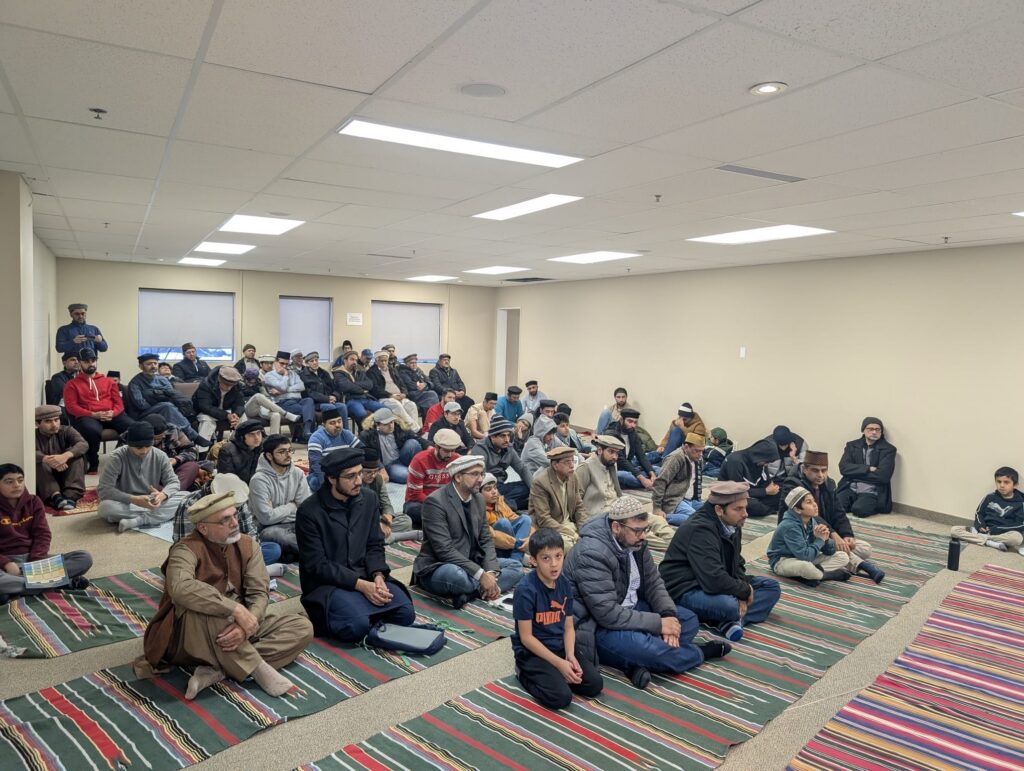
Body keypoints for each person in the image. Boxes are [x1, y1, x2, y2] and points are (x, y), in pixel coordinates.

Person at [138, 491, 312, 699]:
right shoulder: (184, 549)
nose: (234, 523)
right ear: (203, 528)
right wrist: (235, 609)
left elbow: (259, 593)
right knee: (211, 609)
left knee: (302, 627)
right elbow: (180, 587)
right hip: (190, 633)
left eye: (234, 515)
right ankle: (257, 668)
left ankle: (218, 670)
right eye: (225, 520)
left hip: (235, 626)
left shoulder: (248, 545)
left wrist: (247, 624)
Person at [564, 496, 730, 690]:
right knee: (653, 650)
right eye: (637, 530)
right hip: (596, 625)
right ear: (616, 527)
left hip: (630, 608)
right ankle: (697, 653)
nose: (643, 536)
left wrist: (667, 615)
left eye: (645, 529)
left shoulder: (635, 542)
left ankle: (634, 662)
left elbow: (653, 583)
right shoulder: (592, 553)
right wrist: (659, 624)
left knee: (687, 620)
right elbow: (607, 614)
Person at [297, 448, 415, 641]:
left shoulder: (369, 499)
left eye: (360, 473)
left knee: (406, 614)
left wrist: (378, 575)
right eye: (351, 476)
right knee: (356, 627)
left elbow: (375, 545)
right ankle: (359, 612)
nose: (359, 481)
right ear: (332, 479)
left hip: (366, 574)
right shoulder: (309, 511)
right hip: (328, 584)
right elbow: (317, 565)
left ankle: (362, 611)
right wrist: (361, 586)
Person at [659, 481, 781, 642]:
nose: (745, 514)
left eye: (745, 507)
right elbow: (713, 579)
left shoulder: (733, 522)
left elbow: (737, 562)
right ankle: (728, 617)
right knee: (728, 605)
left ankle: (729, 621)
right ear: (719, 510)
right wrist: (744, 591)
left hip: (714, 580)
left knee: (771, 587)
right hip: (685, 588)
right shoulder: (699, 529)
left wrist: (742, 589)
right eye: (738, 509)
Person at [413, 455, 524, 607]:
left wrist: (490, 572)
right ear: (458, 477)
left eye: (481, 474)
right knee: (456, 575)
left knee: (516, 567)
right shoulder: (435, 502)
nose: (480, 479)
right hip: (440, 565)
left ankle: (469, 594)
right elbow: (444, 550)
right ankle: (480, 588)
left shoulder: (478, 499)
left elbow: (486, 539)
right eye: (475, 474)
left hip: (472, 561)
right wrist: (481, 574)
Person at [512, 527, 603, 710]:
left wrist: (570, 655)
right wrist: (559, 664)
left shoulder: (564, 584)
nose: (554, 564)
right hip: (533, 652)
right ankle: (523, 674)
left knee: (594, 684)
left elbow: (568, 627)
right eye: (546, 558)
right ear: (534, 561)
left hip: (559, 646)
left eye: (558, 556)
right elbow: (526, 638)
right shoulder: (525, 590)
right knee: (561, 698)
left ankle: (557, 675)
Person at [781, 451, 885, 582]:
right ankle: (862, 566)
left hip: (821, 535)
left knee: (864, 549)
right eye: (815, 470)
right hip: (801, 537)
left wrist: (847, 535)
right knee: (839, 552)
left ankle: (820, 568)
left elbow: (838, 512)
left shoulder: (828, 484)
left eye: (824, 470)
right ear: (805, 469)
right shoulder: (793, 485)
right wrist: (833, 535)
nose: (821, 475)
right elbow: (810, 517)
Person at [0, 463, 91, 603]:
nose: (17, 485)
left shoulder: (34, 501)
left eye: (20, 480)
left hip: (34, 558)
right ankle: (60, 583)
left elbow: (43, 534)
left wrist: (36, 561)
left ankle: (16, 588)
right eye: (9, 481)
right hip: (5, 564)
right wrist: (6, 563)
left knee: (83, 558)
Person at [97, 421, 182, 532]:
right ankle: (157, 516)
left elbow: (174, 482)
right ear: (129, 444)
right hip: (127, 502)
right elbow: (104, 490)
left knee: (186, 497)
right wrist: (134, 499)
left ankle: (138, 521)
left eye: (148, 446)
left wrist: (163, 495)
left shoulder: (160, 455)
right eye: (138, 447)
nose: (144, 451)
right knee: (105, 508)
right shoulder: (116, 457)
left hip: (152, 501)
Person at [63, 348, 134, 472]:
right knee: (90, 430)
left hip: (111, 414)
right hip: (89, 416)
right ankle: (92, 462)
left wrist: (113, 412)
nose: (91, 364)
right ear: (79, 363)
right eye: (86, 361)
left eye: (93, 360)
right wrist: (93, 414)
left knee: (134, 427)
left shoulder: (109, 382)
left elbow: (119, 403)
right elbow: (71, 407)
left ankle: (123, 457)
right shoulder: (71, 384)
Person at [768, 487, 853, 586]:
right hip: (783, 561)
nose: (815, 505)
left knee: (842, 556)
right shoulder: (790, 526)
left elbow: (829, 551)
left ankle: (810, 575)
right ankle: (826, 575)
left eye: (814, 501)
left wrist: (825, 539)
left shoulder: (812, 521)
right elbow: (804, 556)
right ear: (797, 509)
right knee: (804, 566)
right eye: (809, 502)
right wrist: (820, 540)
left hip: (806, 557)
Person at [126, 353, 208, 447]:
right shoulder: (135, 383)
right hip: (143, 414)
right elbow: (141, 404)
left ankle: (185, 446)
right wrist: (160, 398)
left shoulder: (163, 380)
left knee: (173, 407)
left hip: (166, 409)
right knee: (167, 406)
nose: (153, 366)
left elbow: (172, 396)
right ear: (141, 366)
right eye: (149, 364)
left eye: (155, 363)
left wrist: (153, 396)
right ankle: (193, 436)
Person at [248, 435, 309, 555]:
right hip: (269, 528)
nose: (288, 455)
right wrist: (292, 506)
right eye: (282, 452)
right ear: (269, 456)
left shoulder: (298, 473)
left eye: (289, 450)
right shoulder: (259, 480)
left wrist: (277, 512)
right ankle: (315, 554)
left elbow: (304, 508)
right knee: (277, 535)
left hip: (296, 522)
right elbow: (266, 518)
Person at [951, 466, 1024, 555]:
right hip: (984, 529)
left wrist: (996, 529)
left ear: (1015, 485)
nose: (1002, 485)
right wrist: (980, 525)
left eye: (1006, 482)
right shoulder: (989, 497)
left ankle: (982, 538)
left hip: (1004, 532)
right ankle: (990, 542)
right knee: (954, 530)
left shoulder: (1021, 503)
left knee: (1017, 538)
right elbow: (979, 513)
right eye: (999, 481)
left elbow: (1021, 524)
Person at [528, 446, 588, 549]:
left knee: (592, 538)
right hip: (550, 528)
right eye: (567, 462)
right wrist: (572, 534)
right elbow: (544, 519)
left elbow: (579, 507)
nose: (572, 465)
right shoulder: (540, 482)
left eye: (573, 461)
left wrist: (583, 529)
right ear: (555, 465)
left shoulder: (573, 477)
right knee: (569, 546)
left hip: (570, 524)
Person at [836, 417, 897, 518]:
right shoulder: (852, 445)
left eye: (877, 429)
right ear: (863, 430)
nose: (874, 432)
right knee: (835, 506)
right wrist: (868, 469)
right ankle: (854, 502)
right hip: (851, 487)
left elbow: (883, 476)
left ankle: (859, 503)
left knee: (859, 510)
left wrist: (854, 474)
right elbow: (843, 468)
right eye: (870, 429)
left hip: (871, 491)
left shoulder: (888, 449)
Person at [470, 416, 532, 508]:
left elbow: (522, 468)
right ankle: (508, 505)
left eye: (508, 435)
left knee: (529, 485)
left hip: (500, 485)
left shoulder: (508, 448)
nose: (507, 439)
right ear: (492, 436)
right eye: (503, 436)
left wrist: (534, 490)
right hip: (486, 488)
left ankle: (507, 503)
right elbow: (480, 478)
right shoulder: (480, 449)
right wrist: (495, 494)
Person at [404, 428, 462, 528]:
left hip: (446, 502)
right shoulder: (419, 460)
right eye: (446, 450)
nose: (449, 455)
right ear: (436, 447)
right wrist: (440, 506)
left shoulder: (457, 460)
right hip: (421, 502)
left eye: (452, 450)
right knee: (413, 510)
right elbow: (415, 494)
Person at [34, 405, 87, 510]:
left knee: (77, 457)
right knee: (38, 461)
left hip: (67, 473)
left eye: (56, 420)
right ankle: (55, 496)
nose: (54, 425)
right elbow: (27, 451)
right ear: (37, 424)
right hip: (44, 479)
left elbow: (83, 444)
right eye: (48, 421)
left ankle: (71, 496)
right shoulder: (32, 435)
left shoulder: (67, 430)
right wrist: (46, 459)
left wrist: (65, 456)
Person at [360, 449, 419, 543]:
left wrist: (388, 517)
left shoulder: (378, 479)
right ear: (359, 470)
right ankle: (391, 537)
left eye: (375, 471)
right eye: (368, 472)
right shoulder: (355, 484)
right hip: (362, 521)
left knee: (406, 521)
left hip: (378, 519)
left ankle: (379, 537)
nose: (373, 475)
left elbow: (386, 502)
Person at [359, 408, 426, 484]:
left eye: (391, 422)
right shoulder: (367, 435)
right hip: (388, 465)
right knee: (407, 476)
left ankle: (420, 469)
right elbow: (367, 453)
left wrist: (429, 446)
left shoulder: (398, 427)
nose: (390, 426)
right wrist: (381, 469)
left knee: (413, 443)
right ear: (377, 425)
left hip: (401, 457)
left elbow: (416, 437)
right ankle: (406, 472)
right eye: (385, 424)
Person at [718, 438, 782, 518]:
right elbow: (737, 491)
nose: (767, 465)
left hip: (752, 493)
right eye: (767, 462)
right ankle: (767, 509)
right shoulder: (735, 461)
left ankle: (765, 508)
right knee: (752, 505)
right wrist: (765, 491)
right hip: (731, 495)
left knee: (781, 494)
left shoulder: (760, 463)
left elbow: (766, 483)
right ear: (759, 455)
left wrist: (772, 488)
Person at [652, 433, 705, 526]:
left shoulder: (698, 459)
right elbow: (660, 482)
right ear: (686, 447)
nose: (700, 454)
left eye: (702, 451)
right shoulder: (675, 458)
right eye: (697, 451)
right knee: (696, 520)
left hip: (692, 500)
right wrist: (657, 508)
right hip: (675, 500)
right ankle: (658, 518)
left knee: (713, 513)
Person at [264, 350, 316, 442]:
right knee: (308, 410)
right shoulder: (269, 375)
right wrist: (285, 375)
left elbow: (301, 386)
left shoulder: (293, 373)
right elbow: (282, 387)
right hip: (283, 402)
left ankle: (306, 431)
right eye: (282, 363)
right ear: (275, 362)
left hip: (298, 400)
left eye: (286, 364)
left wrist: (284, 391)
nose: (284, 366)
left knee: (309, 400)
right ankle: (306, 434)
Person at [142, 414, 202, 491]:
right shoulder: (134, 436)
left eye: (159, 438)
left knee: (192, 466)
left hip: (172, 471)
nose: (156, 441)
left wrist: (176, 460)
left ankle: (173, 491)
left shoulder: (173, 431)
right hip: (149, 475)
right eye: (153, 439)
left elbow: (192, 450)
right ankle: (169, 493)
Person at [307, 405, 360, 492]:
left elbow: (362, 451)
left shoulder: (346, 434)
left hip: (344, 473)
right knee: (315, 482)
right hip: (324, 474)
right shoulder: (316, 438)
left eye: (339, 421)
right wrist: (326, 486)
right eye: (332, 423)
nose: (337, 425)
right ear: (324, 425)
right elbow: (316, 465)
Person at [365, 351, 421, 430]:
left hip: (399, 396)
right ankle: (415, 429)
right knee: (397, 405)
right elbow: (375, 389)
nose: (384, 363)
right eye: (381, 361)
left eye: (385, 360)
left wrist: (404, 393)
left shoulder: (392, 370)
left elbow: (402, 384)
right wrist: (390, 395)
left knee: (412, 405)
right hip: (385, 398)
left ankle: (411, 430)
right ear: (376, 361)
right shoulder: (371, 372)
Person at [482, 473, 532, 562]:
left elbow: (514, 517)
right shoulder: (477, 509)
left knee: (525, 519)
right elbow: (492, 536)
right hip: (492, 548)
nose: (494, 492)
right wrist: (517, 543)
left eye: (495, 488)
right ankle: (516, 559)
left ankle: (515, 560)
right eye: (488, 489)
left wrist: (529, 538)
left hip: (511, 544)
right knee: (503, 523)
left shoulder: (499, 502)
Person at [575, 434, 626, 520]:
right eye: (611, 452)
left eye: (617, 453)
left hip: (615, 509)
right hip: (596, 516)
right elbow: (576, 499)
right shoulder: (586, 467)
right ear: (599, 450)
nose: (615, 457)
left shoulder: (612, 463)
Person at [607, 408, 656, 490]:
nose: (633, 425)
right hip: (614, 468)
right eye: (630, 421)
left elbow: (641, 455)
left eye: (635, 422)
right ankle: (649, 483)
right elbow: (621, 460)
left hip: (630, 466)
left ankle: (649, 482)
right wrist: (641, 477)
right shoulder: (612, 433)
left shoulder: (632, 433)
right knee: (623, 476)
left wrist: (652, 474)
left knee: (657, 470)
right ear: (621, 420)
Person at [193, 365, 246, 441]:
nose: (229, 388)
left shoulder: (237, 386)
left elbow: (240, 404)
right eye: (226, 384)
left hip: (225, 411)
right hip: (205, 412)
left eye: (231, 385)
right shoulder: (206, 384)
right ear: (219, 380)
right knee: (207, 421)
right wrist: (227, 415)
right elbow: (205, 406)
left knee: (242, 417)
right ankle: (202, 447)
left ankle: (240, 443)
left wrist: (236, 414)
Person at [300, 352, 350, 430]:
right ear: (307, 364)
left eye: (316, 360)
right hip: (316, 404)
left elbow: (335, 387)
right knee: (330, 407)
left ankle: (345, 432)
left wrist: (334, 396)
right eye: (312, 361)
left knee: (342, 406)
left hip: (330, 401)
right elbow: (309, 393)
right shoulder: (303, 376)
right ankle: (332, 431)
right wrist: (327, 399)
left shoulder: (324, 373)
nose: (315, 362)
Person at [332, 350, 382, 426]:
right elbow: (346, 386)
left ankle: (378, 430)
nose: (354, 362)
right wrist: (362, 390)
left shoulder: (359, 371)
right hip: (351, 400)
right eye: (352, 359)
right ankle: (364, 432)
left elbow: (370, 384)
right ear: (345, 360)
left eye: (356, 360)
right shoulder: (338, 373)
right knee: (362, 414)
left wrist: (354, 383)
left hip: (365, 398)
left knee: (384, 409)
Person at [216, 419, 265, 484]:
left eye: (258, 433)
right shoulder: (227, 450)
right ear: (242, 437)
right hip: (236, 487)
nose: (257, 438)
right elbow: (226, 479)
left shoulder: (264, 447)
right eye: (251, 434)